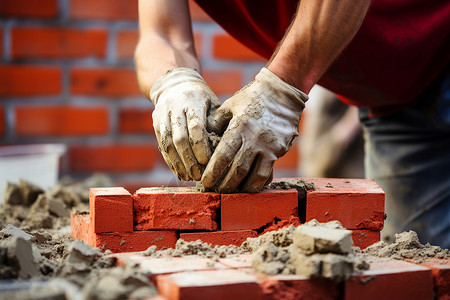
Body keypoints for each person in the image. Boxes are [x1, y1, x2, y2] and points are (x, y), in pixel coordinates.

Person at [135, 0, 450, 248]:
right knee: (421, 265)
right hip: (397, 99)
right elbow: (160, 33)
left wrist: (281, 89)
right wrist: (174, 83)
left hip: (438, 42)